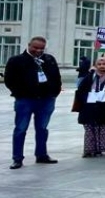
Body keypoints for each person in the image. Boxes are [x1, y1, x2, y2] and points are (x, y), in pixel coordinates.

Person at [5, 36, 62, 170]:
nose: (38, 51)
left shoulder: (49, 60)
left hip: (46, 100)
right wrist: (20, 93)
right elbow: (9, 80)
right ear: (29, 45)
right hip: (25, 100)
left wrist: (54, 93)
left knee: (42, 128)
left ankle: (41, 154)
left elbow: (56, 77)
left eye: (41, 48)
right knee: (20, 129)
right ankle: (17, 158)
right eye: (35, 48)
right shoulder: (17, 61)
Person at [74, 56, 105, 157]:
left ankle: (99, 149)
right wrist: (84, 100)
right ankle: (89, 150)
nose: (101, 66)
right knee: (89, 128)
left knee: (102, 128)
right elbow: (80, 90)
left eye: (104, 64)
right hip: (89, 107)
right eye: (99, 64)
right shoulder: (90, 76)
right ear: (95, 65)